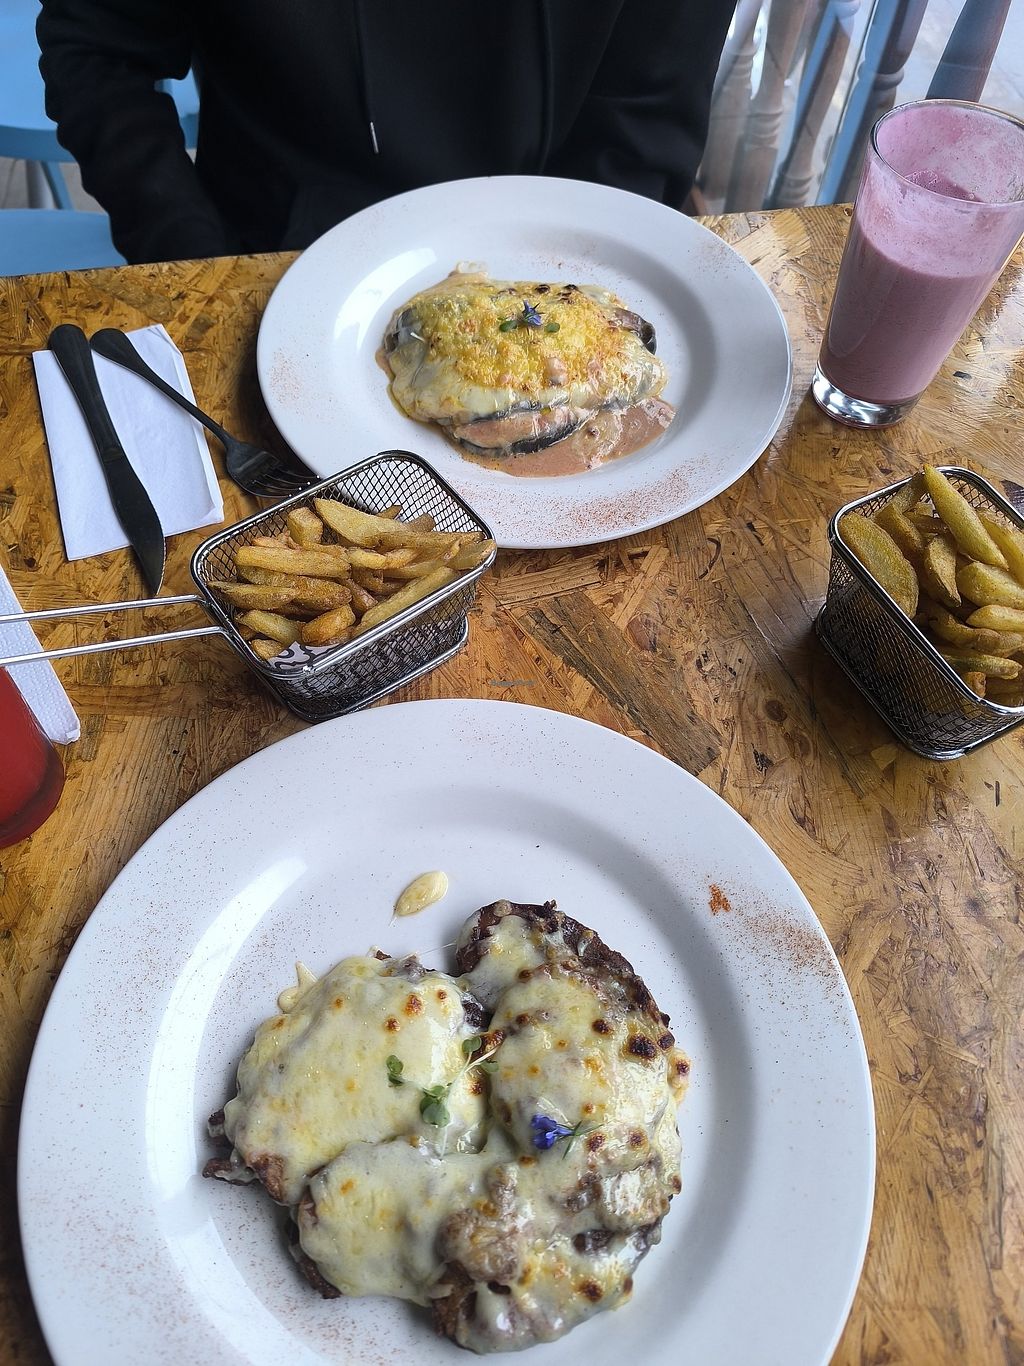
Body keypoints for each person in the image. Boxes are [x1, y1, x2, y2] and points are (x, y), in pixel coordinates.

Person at [36, 0, 735, 265]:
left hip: (558, 261)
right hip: (261, 246)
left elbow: (646, 115)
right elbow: (98, 46)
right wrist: (192, 253)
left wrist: (567, 299)